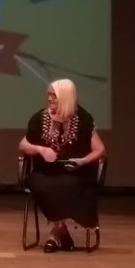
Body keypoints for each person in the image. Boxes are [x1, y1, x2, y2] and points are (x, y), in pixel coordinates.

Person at [18, 78, 106, 252]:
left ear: (65, 97)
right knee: (40, 184)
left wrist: (83, 161)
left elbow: (100, 149)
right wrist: (41, 150)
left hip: (74, 173)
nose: (49, 98)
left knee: (68, 184)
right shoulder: (39, 118)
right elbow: (23, 145)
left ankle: (54, 235)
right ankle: (61, 230)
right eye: (49, 94)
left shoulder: (84, 119)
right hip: (45, 172)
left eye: (54, 95)